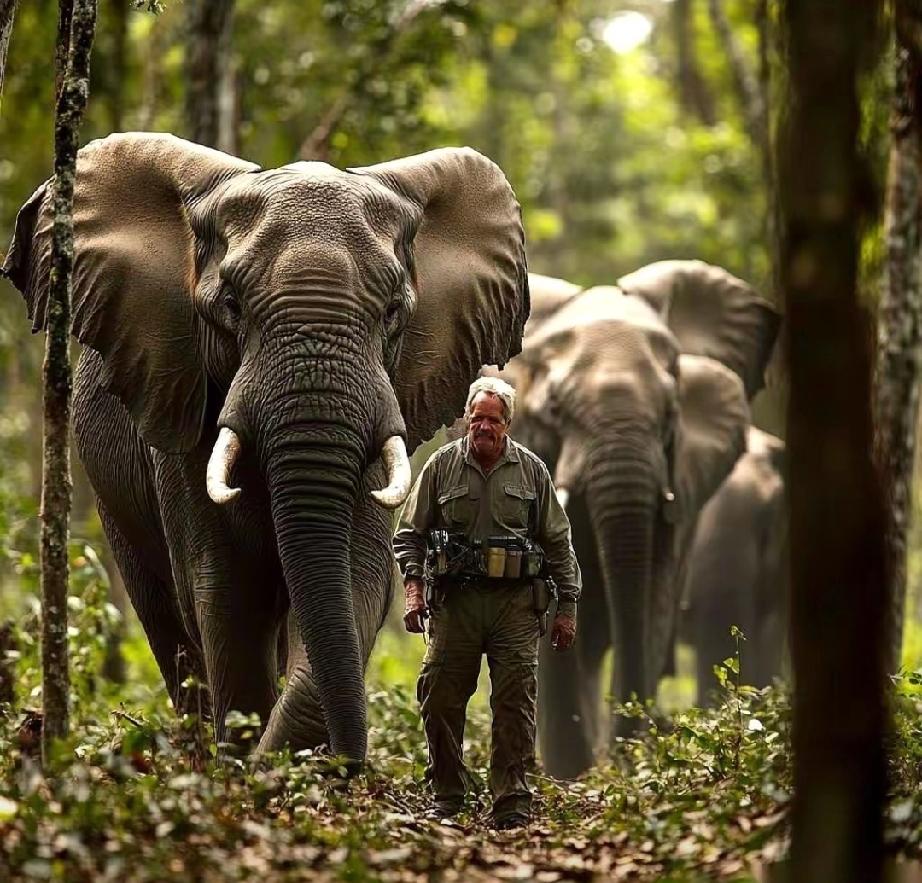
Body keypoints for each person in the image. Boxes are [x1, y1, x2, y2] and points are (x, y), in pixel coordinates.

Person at [394, 376, 581, 829]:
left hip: (514, 606)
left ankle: (511, 799)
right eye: (476, 418)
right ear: (465, 419)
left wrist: (567, 608)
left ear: (507, 425)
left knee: (515, 702)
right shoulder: (441, 466)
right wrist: (414, 589)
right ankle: (447, 793)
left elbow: (558, 543)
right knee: (439, 695)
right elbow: (409, 535)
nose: (482, 427)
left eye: (492, 420)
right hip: (455, 604)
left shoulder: (532, 471)